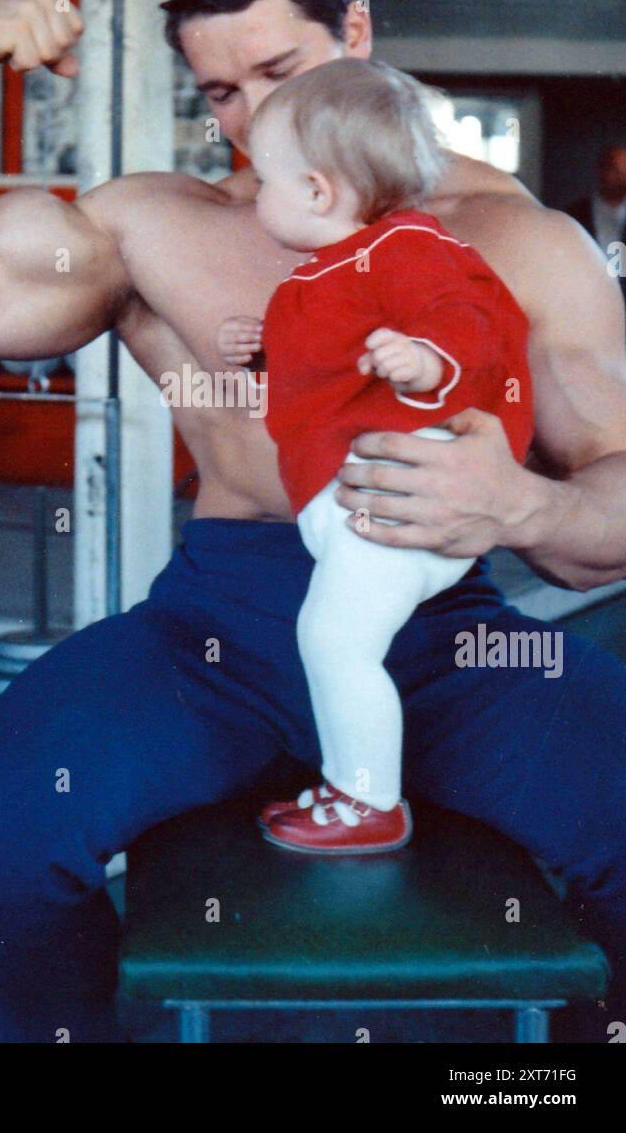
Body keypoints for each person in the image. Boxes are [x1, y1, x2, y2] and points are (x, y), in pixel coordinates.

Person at [0, 0, 626, 1043]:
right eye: (219, 91)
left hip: (440, 634)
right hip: (218, 627)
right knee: (2, 822)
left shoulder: (514, 238)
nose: (255, 118)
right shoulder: (155, 223)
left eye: (281, 70)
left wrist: (524, 505)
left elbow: (603, 504)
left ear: (355, 29)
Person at [217, 59, 534, 854]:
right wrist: (266, 352)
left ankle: (368, 800)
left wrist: (429, 358)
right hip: (361, 499)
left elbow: (463, 317)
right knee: (334, 636)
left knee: (334, 640)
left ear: (318, 192)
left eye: (265, 181)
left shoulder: (403, 245)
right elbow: (326, 364)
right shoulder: (330, 271)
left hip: (399, 491)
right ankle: (353, 785)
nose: (256, 197)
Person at [566, 145, 626, 302]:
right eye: (615, 169)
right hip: (586, 304)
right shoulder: (574, 216)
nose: (622, 176)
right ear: (600, 171)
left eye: (625, 170)